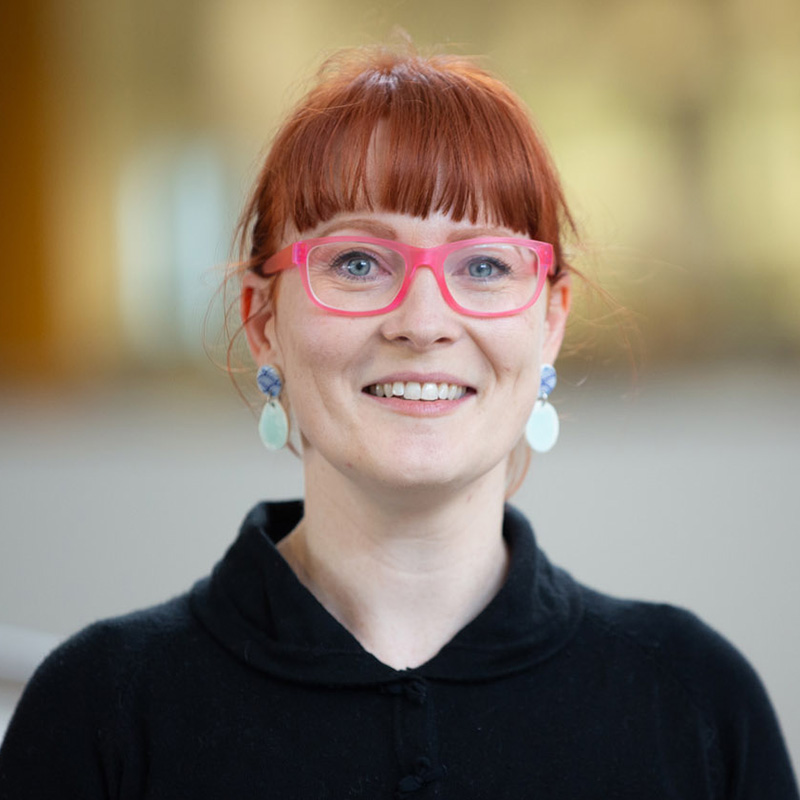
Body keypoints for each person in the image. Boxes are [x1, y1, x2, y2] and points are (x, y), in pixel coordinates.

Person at [0, 45, 797, 800]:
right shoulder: (98, 709)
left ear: (550, 321)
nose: (423, 322)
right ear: (262, 321)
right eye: (357, 263)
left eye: (483, 265)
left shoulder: (695, 700)